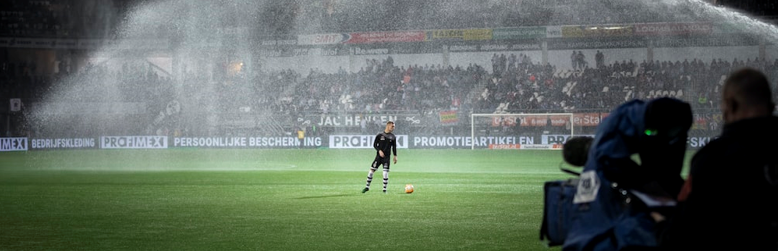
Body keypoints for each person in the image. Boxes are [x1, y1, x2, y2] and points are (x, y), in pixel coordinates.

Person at [653, 68, 778, 250]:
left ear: (730, 105)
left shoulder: (712, 159)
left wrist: (660, 223)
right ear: (772, 106)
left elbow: (681, 237)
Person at [362, 121, 398, 193]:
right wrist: (379, 151)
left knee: (385, 173)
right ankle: (367, 187)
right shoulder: (380, 135)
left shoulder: (393, 137)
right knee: (371, 171)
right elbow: (375, 145)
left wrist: (395, 156)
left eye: (394, 126)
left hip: (386, 158)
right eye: (392, 126)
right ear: (388, 126)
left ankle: (384, 189)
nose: (393, 128)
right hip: (378, 157)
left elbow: (394, 147)